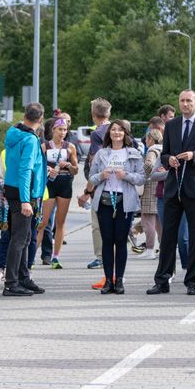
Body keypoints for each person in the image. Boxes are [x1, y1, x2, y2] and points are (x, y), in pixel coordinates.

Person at [147, 89, 195, 296]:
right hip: (173, 187)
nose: (185, 104)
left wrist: (194, 155)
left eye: (189, 101)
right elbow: (164, 153)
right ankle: (162, 280)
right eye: (182, 101)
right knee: (168, 235)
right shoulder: (171, 125)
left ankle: (191, 281)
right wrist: (168, 159)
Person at [88, 120, 145, 294]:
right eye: (113, 130)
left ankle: (119, 280)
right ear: (109, 133)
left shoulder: (133, 153)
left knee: (121, 241)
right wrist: (101, 175)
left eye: (120, 130)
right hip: (105, 201)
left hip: (125, 202)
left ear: (126, 134)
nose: (117, 133)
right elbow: (91, 178)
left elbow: (142, 178)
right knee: (107, 241)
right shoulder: (101, 153)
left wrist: (126, 175)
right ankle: (108, 281)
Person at [3, 102, 47, 297]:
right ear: (41, 119)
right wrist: (26, 200)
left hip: (13, 188)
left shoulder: (13, 132)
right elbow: (25, 169)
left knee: (26, 237)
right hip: (24, 191)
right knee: (20, 238)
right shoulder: (29, 139)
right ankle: (12, 283)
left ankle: (23, 277)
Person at [36, 118, 78, 268]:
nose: (62, 132)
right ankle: (30, 258)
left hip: (65, 183)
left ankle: (55, 257)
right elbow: (36, 166)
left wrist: (68, 165)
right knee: (42, 222)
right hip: (49, 185)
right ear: (53, 130)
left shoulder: (70, 147)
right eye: (60, 129)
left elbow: (76, 169)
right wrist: (46, 169)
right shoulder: (44, 146)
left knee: (60, 222)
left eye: (65, 130)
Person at [77, 98, 113, 270]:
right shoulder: (120, 128)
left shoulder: (97, 133)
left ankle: (101, 256)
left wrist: (87, 190)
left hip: (101, 185)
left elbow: (95, 162)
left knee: (98, 224)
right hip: (119, 182)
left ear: (93, 115)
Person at [137, 128, 163, 260]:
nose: (146, 142)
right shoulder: (164, 149)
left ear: (151, 139)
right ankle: (163, 249)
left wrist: (142, 174)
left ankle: (150, 249)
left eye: (147, 139)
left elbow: (148, 165)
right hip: (161, 187)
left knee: (147, 220)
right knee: (159, 222)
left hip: (150, 187)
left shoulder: (152, 151)